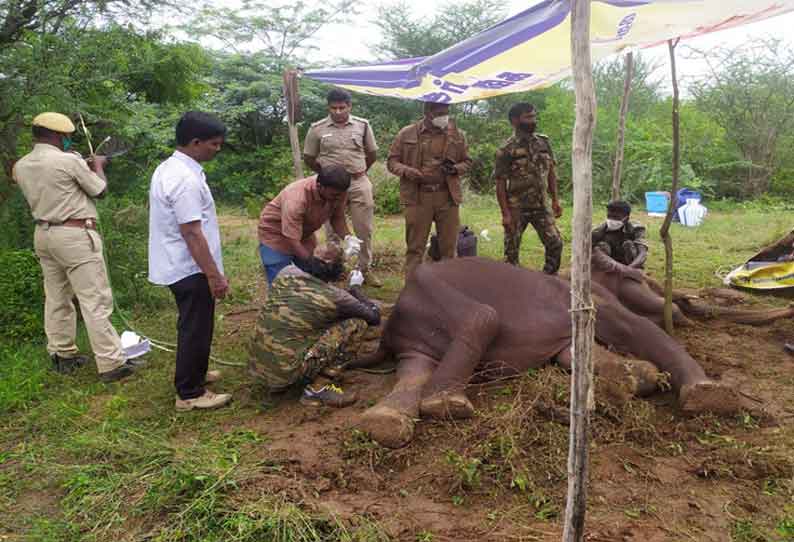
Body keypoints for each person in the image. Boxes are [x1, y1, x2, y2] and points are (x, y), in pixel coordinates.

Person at [12, 112, 139, 382]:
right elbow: (99, 191)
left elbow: (53, 183)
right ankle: (111, 363)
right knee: (95, 299)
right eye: (67, 137)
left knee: (57, 296)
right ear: (60, 136)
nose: (69, 141)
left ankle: (63, 356)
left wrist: (82, 164)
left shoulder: (21, 165)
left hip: (43, 234)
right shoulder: (68, 160)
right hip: (74, 235)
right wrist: (98, 166)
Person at [148, 111, 231, 412]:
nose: (217, 149)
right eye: (214, 144)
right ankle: (190, 393)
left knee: (195, 324)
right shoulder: (184, 180)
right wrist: (214, 275)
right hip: (189, 266)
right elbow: (192, 233)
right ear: (195, 142)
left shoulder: (173, 168)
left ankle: (196, 372)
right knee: (195, 326)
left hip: (181, 263)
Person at [249, 244, 381, 407]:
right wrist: (355, 288)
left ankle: (278, 381)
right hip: (288, 371)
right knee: (356, 325)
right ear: (338, 271)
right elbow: (374, 317)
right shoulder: (337, 297)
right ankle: (317, 390)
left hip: (257, 365)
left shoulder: (285, 273)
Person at [304, 88, 382, 287]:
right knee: (332, 231)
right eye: (333, 108)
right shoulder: (317, 128)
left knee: (363, 229)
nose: (338, 112)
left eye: (342, 107)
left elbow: (372, 153)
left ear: (349, 106)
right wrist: (325, 175)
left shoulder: (362, 125)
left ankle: (364, 270)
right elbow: (309, 158)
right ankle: (335, 269)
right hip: (330, 187)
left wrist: (359, 171)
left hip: (358, 181)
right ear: (328, 107)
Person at [387, 101, 472, 280]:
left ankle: (447, 290)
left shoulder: (457, 134)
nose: (445, 116)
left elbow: (468, 162)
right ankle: (412, 290)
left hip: (447, 197)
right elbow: (392, 162)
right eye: (440, 112)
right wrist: (407, 171)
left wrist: (455, 168)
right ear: (428, 112)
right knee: (415, 248)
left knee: (449, 248)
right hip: (418, 197)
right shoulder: (407, 133)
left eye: (447, 112)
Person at [257, 165, 360, 287]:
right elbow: (292, 239)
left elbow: (337, 218)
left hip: (304, 233)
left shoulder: (338, 191)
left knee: (314, 279)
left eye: (341, 195)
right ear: (320, 186)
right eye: (334, 195)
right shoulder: (296, 199)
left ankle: (311, 301)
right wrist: (312, 262)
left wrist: (348, 238)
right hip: (275, 234)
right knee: (280, 281)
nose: (338, 198)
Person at [494, 102, 563, 274]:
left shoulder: (543, 142)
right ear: (515, 121)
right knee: (511, 252)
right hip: (517, 206)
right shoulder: (506, 149)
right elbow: (500, 182)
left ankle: (549, 278)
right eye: (528, 117)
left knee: (555, 242)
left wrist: (555, 200)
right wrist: (505, 214)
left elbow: (551, 173)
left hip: (541, 205)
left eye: (534, 116)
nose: (533, 121)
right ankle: (514, 285)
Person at [592, 200, 648, 269]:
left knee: (628, 244)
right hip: (609, 264)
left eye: (616, 217)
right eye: (609, 216)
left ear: (626, 218)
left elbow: (642, 254)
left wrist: (627, 269)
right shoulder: (600, 230)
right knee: (601, 246)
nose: (611, 220)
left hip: (629, 264)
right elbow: (587, 249)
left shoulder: (636, 229)